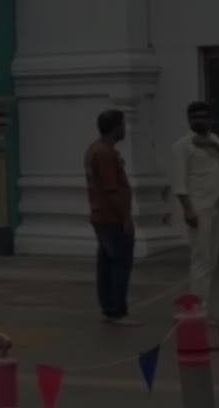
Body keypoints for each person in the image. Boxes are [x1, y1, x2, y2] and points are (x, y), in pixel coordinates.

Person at [172, 100, 219, 309]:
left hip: (217, 208)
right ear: (189, 120)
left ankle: (202, 306)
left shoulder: (214, 140)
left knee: (211, 261)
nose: (199, 121)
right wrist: (188, 211)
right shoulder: (182, 145)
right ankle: (196, 309)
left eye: (203, 117)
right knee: (201, 260)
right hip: (198, 210)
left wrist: (212, 144)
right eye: (195, 117)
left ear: (210, 119)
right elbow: (180, 183)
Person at [85, 109, 138, 326]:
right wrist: (125, 217)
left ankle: (109, 308)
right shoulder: (104, 153)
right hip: (111, 217)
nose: (125, 129)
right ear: (116, 127)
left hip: (102, 216)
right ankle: (117, 311)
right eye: (123, 125)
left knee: (107, 263)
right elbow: (111, 189)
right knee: (119, 263)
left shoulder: (96, 149)